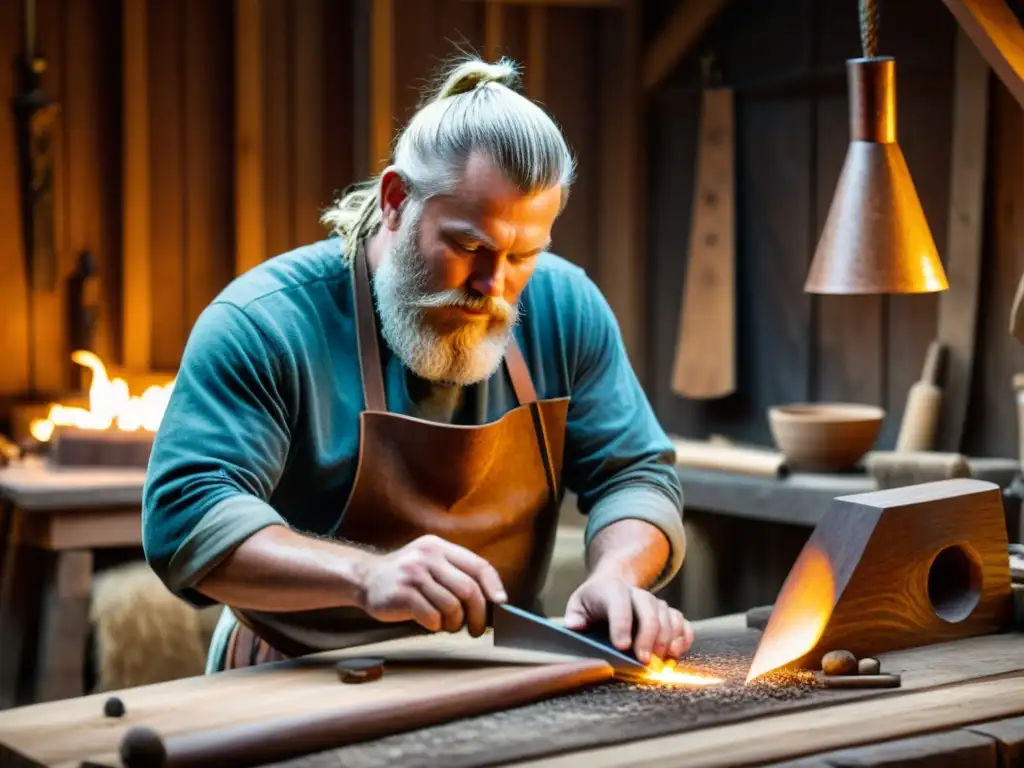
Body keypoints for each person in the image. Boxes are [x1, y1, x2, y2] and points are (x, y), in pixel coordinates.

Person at [141, 55, 692, 673]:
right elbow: (187, 514)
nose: (494, 285)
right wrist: (364, 576)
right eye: (468, 246)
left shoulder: (565, 307)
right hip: (295, 672)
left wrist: (618, 575)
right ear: (397, 200)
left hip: (502, 669)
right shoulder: (265, 324)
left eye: (523, 255)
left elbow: (636, 475)